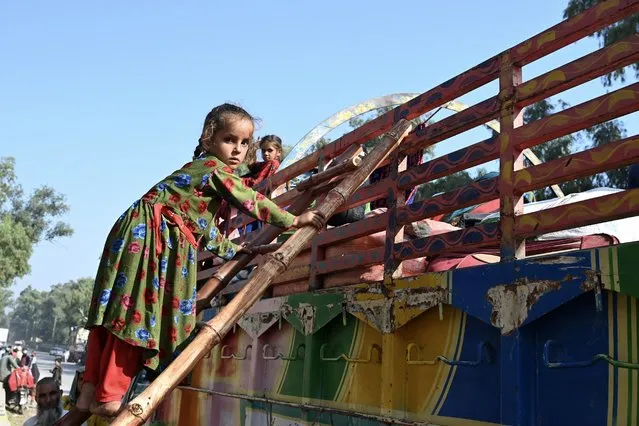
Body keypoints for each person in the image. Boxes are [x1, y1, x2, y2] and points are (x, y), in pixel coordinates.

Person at [60, 103, 323, 425]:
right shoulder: (214, 169)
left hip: (140, 232)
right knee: (138, 310)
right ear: (208, 137)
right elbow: (250, 200)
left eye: (245, 143)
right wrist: (295, 220)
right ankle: (109, 397)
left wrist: (236, 250)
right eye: (230, 139)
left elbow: (199, 227)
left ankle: (91, 393)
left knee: (119, 309)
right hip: (151, 236)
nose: (238, 150)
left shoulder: (197, 172)